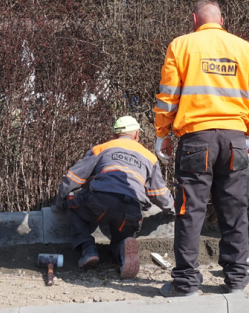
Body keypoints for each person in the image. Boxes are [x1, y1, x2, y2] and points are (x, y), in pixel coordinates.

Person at [154, 0, 249, 297]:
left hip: (196, 140)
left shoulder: (181, 45)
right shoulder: (245, 49)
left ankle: (186, 284)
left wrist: (162, 132)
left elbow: (168, 95)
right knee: (235, 211)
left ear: (194, 20)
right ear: (222, 20)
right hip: (234, 139)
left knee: (190, 212)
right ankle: (236, 280)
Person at [54, 116, 174, 279]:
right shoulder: (150, 157)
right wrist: (176, 210)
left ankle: (87, 249)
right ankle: (123, 249)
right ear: (136, 135)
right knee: (121, 236)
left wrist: (60, 202)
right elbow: (158, 194)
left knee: (72, 200)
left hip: (101, 203)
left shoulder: (102, 148)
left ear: (114, 135)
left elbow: (73, 179)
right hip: (132, 208)